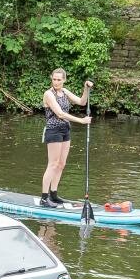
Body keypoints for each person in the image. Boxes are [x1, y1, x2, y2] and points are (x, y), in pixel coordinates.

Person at [40, 68, 93, 208]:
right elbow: (60, 114)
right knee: (52, 164)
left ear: (64, 80)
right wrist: (81, 121)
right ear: (51, 79)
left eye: (59, 80)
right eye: (54, 79)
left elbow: (82, 102)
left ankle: (54, 194)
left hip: (65, 130)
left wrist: (86, 88)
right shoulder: (48, 94)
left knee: (61, 164)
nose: (56, 82)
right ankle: (44, 198)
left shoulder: (64, 92)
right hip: (53, 130)